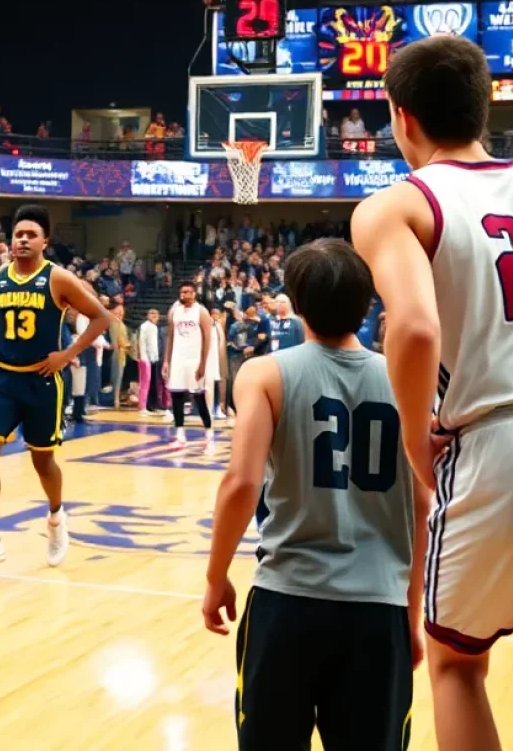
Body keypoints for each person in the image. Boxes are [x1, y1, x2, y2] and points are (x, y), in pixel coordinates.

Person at [351, 34, 513, 751]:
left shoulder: (396, 206)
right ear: (484, 105)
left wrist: (414, 440)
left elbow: (414, 325)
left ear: (402, 117)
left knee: (459, 666)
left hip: (496, 439)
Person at [203, 239, 428, 751]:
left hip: (287, 603)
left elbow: (241, 482)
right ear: (368, 304)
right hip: (377, 610)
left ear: (295, 304)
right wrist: (411, 616)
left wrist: (217, 578)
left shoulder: (264, 373)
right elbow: (421, 510)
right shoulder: (405, 380)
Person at [0, 204, 111, 572]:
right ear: (11, 241)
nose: (24, 240)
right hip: (3, 377)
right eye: (19, 235)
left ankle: (56, 517)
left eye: (31, 235)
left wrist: (68, 354)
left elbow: (101, 318)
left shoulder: (59, 278)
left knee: (42, 460)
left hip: (43, 379)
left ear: (45, 241)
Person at [162, 282, 211, 452]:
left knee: (198, 397)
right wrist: (166, 361)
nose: (185, 294)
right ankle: (180, 435)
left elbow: (208, 339)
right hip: (178, 359)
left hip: (194, 359)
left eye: (189, 292)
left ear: (195, 293)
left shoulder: (201, 311)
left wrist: (203, 364)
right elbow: (170, 336)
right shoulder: (174, 311)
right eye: (182, 292)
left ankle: (208, 433)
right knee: (176, 395)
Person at [137, 308, 160, 417]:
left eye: (156, 314)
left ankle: (149, 405)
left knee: (149, 383)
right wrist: (147, 358)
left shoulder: (153, 327)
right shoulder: (146, 326)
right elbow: (145, 344)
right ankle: (142, 406)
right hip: (146, 358)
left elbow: (153, 345)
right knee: (145, 383)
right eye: (151, 313)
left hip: (151, 358)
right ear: (147, 315)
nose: (154, 316)